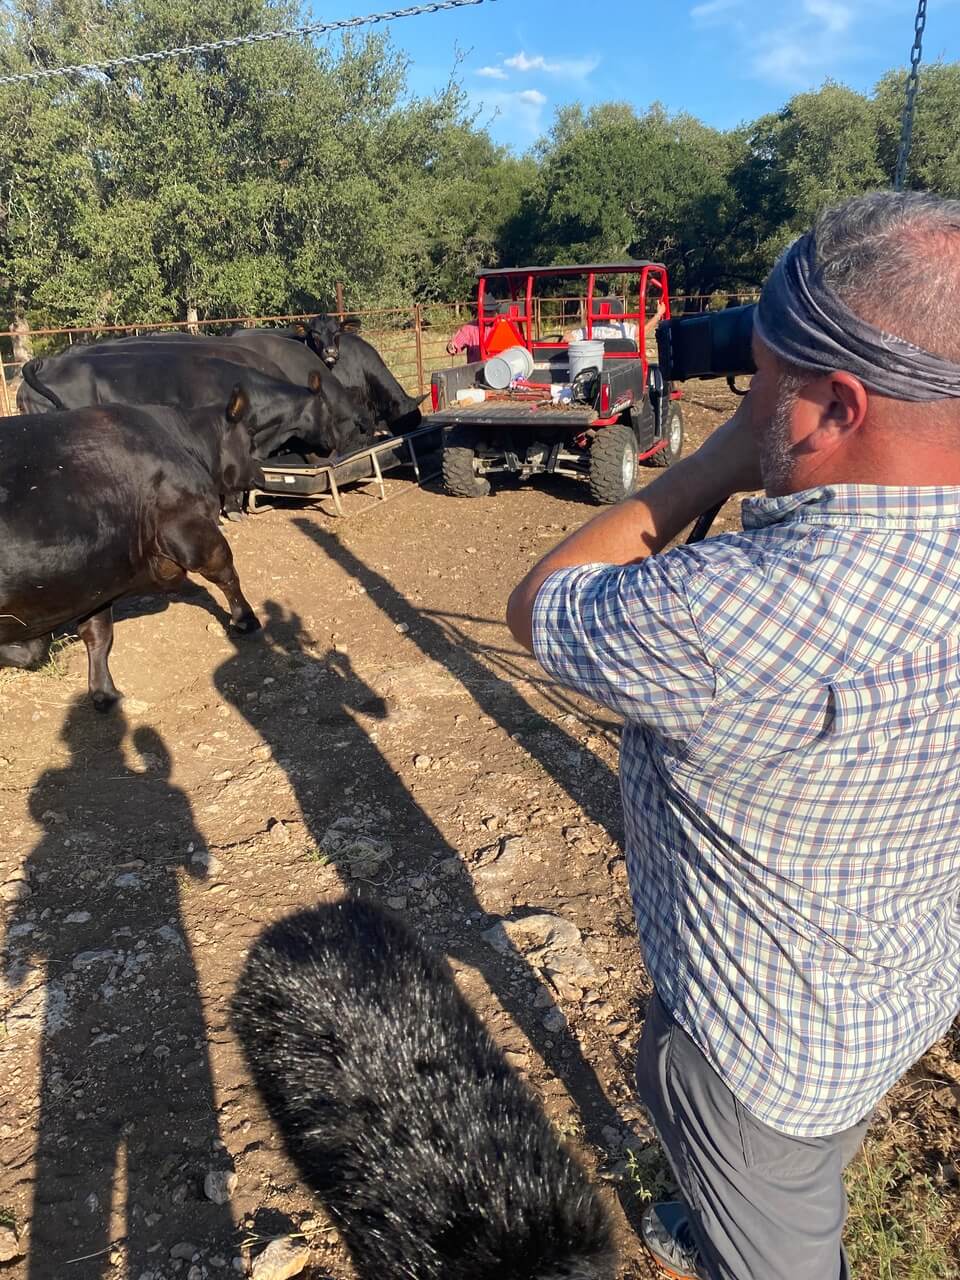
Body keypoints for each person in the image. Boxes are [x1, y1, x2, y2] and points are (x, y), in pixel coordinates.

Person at [505, 190, 960, 1280]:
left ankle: (740, 1232)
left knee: (780, 1238)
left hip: (757, 1052)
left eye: (763, 372)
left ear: (840, 405)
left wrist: (710, 465)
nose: (749, 393)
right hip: (900, 976)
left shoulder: (732, 610)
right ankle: (724, 1218)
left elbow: (543, 602)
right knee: (813, 1150)